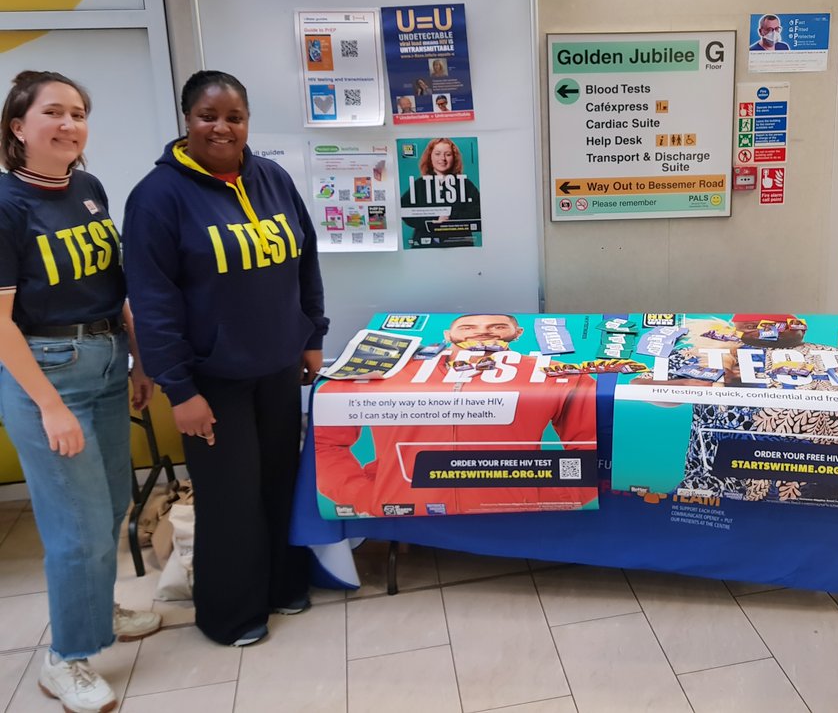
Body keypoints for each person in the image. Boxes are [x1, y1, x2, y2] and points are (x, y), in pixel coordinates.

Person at [123, 71, 328, 648]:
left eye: (234, 117)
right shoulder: (157, 198)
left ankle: (282, 585)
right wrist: (180, 390)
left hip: (278, 368)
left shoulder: (271, 178)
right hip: (212, 383)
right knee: (230, 500)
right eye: (208, 116)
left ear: (247, 122)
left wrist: (311, 336)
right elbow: (154, 303)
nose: (222, 127)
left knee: (279, 484)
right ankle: (231, 614)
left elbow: (303, 262)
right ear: (187, 120)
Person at [0, 71, 161, 713]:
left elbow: (114, 287)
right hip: (46, 372)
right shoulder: (7, 205)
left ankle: (100, 611)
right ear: (18, 126)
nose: (70, 125)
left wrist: (140, 361)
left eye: (79, 113)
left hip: (105, 360)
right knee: (78, 530)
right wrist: (48, 405)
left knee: (115, 503)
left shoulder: (86, 189)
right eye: (54, 113)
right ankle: (65, 660)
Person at [313, 313, 598, 516]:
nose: (482, 331)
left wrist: (553, 498)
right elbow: (325, 442)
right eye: (468, 326)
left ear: (516, 333)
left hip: (512, 511)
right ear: (447, 335)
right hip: (405, 507)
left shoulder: (557, 374)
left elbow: (591, 445)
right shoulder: (393, 370)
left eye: (498, 325)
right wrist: (364, 496)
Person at [400, 137, 481, 248]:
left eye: (448, 154)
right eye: (437, 154)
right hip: (426, 247)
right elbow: (405, 211)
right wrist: (432, 219)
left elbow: (478, 211)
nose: (442, 158)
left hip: (460, 246)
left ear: (454, 158)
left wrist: (450, 216)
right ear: (430, 157)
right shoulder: (419, 185)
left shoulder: (465, 184)